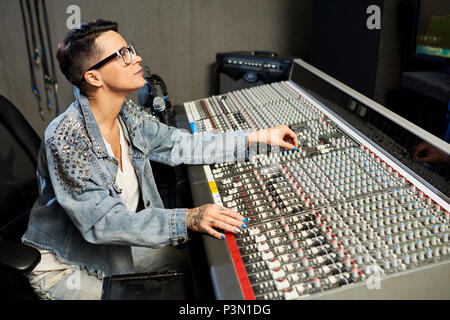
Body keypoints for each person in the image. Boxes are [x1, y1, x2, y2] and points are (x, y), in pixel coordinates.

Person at [21, 19, 299, 300]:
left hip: (114, 253)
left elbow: (179, 143)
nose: (136, 57)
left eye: (130, 49)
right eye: (123, 55)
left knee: (196, 267)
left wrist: (257, 137)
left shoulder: (126, 115)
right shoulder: (67, 138)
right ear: (94, 77)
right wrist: (188, 217)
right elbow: (102, 222)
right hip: (67, 269)